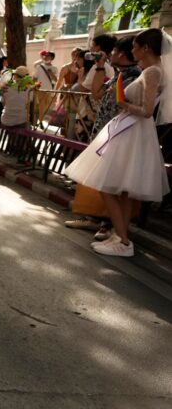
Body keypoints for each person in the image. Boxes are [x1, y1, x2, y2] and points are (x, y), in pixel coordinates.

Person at [64, 28, 171, 257]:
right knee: (121, 190)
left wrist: (125, 105)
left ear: (146, 48)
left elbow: (147, 110)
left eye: (135, 46)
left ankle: (122, 240)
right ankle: (121, 236)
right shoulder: (151, 70)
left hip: (133, 129)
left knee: (107, 186)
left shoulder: (152, 71)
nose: (132, 49)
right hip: (131, 130)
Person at [32, 50, 57, 124]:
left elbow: (56, 80)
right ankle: (39, 121)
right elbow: (35, 78)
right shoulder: (39, 67)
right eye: (45, 56)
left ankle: (40, 120)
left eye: (48, 56)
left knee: (45, 107)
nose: (45, 57)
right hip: (40, 89)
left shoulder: (54, 68)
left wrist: (51, 73)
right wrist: (33, 86)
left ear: (52, 58)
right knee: (40, 106)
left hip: (49, 90)